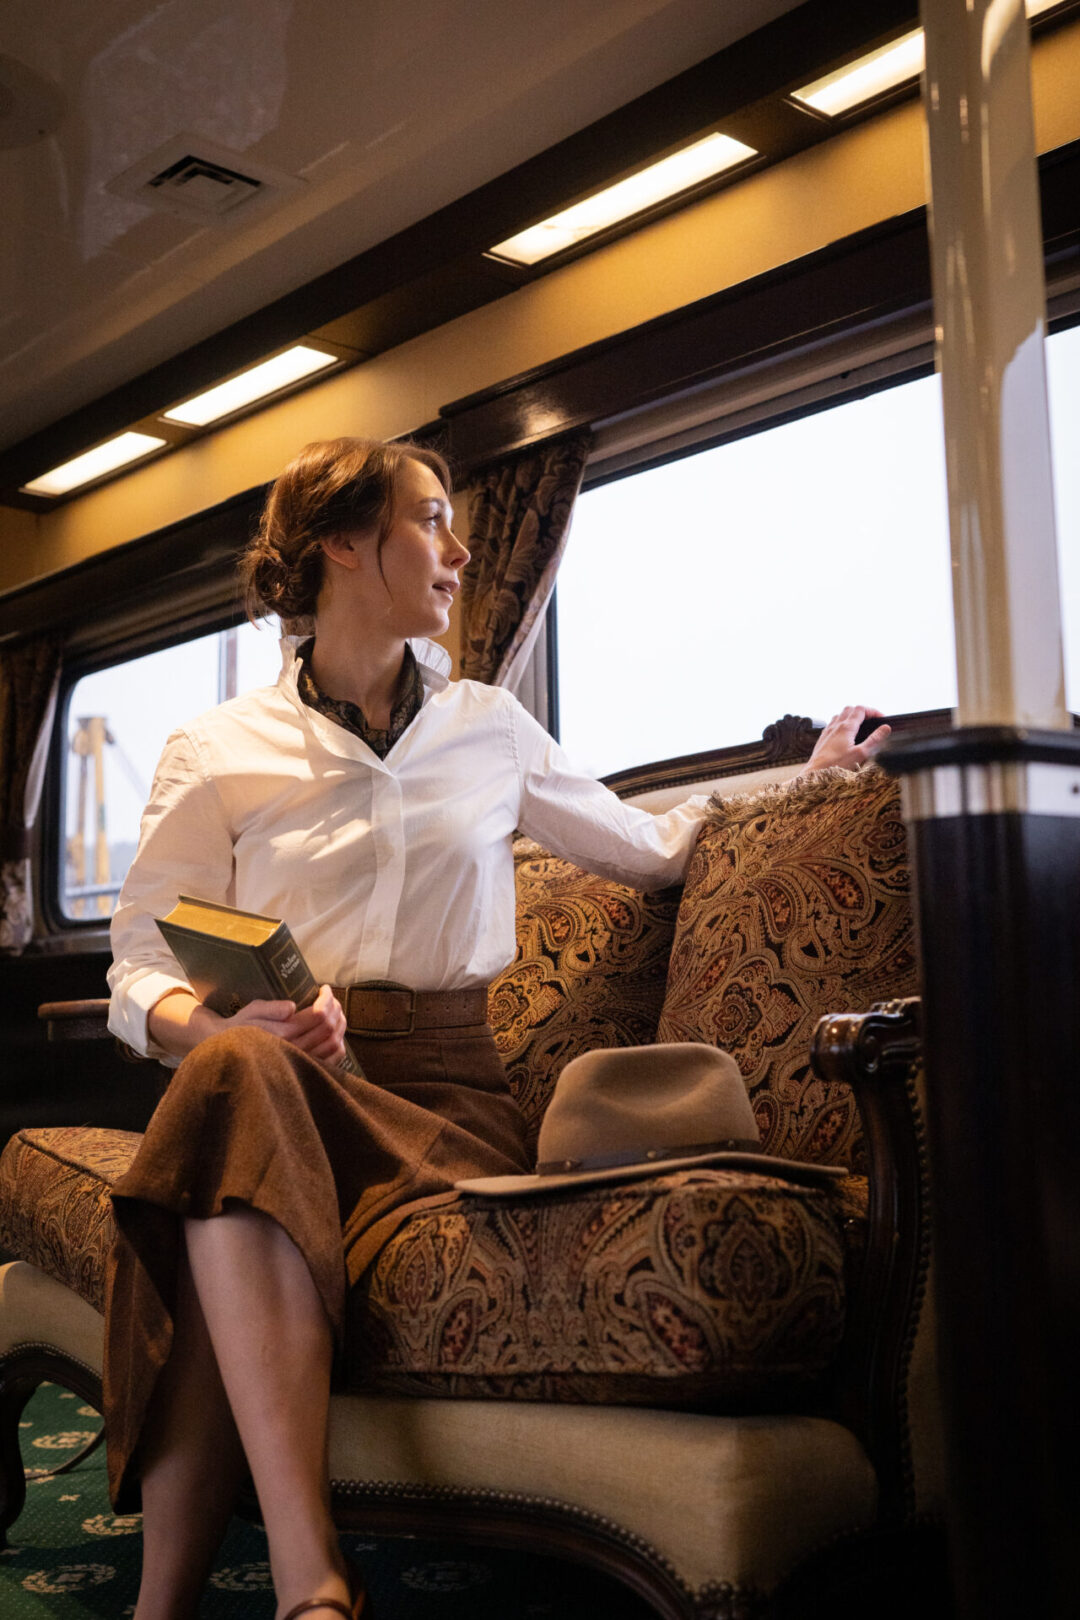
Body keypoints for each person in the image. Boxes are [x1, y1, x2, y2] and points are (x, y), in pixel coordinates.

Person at [105, 435, 890, 1620]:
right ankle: (304, 1584)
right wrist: (221, 1018)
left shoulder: (486, 725)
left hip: (445, 1107)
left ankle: (188, 1600)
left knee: (221, 1112)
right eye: (431, 521)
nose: (462, 552)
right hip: (280, 1081)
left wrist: (813, 777)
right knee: (232, 1069)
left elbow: (652, 843)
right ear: (346, 545)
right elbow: (140, 963)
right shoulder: (216, 752)